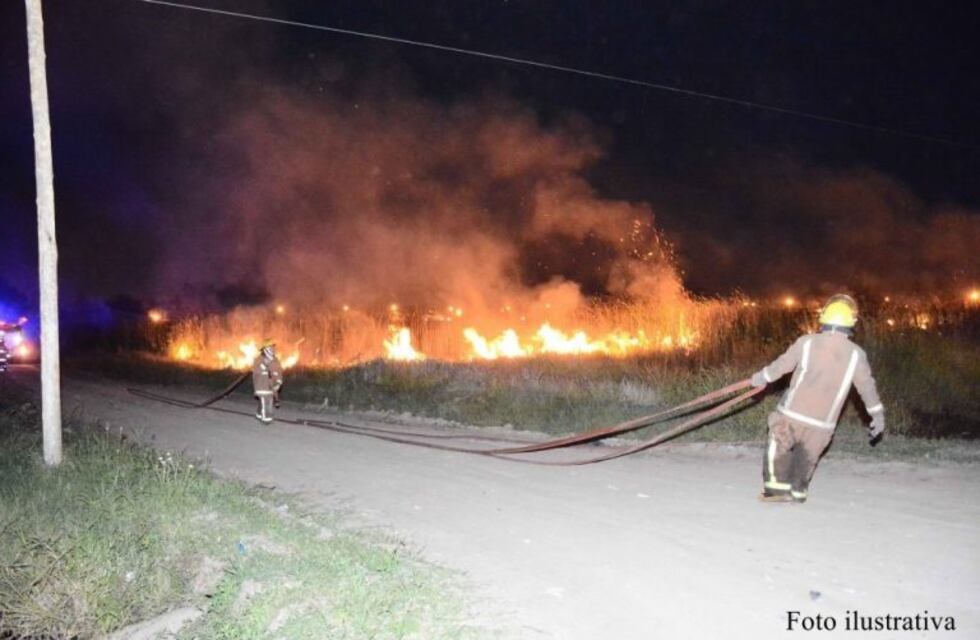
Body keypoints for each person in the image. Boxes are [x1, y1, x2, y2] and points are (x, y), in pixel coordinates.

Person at [751, 294, 884, 503]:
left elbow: (781, 366)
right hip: (823, 424)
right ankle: (798, 491)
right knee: (808, 457)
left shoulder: (806, 343)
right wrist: (878, 415)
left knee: (779, 445)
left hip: (792, 415)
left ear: (823, 318)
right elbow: (867, 388)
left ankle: (777, 490)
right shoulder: (857, 355)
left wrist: (760, 378)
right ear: (852, 323)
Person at [252, 339, 283, 424]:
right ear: (265, 349)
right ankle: (266, 418)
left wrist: (279, 382)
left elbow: (278, 371)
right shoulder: (259, 359)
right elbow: (256, 371)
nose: (273, 349)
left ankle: (259, 414)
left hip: (271, 385)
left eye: (273, 347)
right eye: (270, 347)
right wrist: (263, 365)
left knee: (265, 401)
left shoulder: (275, 360)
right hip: (262, 385)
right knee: (266, 401)